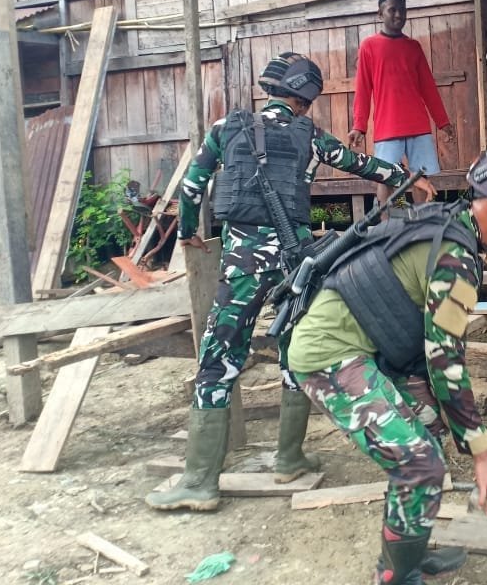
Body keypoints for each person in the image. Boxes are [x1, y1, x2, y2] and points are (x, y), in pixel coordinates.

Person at [146, 53, 436, 512]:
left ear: (270, 89)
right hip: (296, 261)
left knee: (219, 359)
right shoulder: (309, 135)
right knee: (293, 350)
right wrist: (409, 178)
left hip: (242, 260)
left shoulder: (226, 128)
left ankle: (200, 482)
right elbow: (362, 164)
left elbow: (191, 188)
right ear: (306, 98)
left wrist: (186, 232)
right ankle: (289, 457)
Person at [288, 144, 487, 585]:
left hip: (373, 345)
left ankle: (409, 551)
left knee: (429, 426)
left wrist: (465, 434)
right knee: (420, 466)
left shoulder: (454, 228)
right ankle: (395, 576)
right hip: (329, 354)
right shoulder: (457, 257)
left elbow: (439, 352)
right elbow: (444, 357)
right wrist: (482, 453)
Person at [348, 0, 455, 206]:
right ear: (380, 13)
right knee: (384, 177)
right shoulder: (369, 46)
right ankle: (385, 225)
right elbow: (363, 89)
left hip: (418, 124)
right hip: (388, 126)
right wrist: (359, 126)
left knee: (420, 177)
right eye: (392, 10)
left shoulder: (413, 47)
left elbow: (428, 89)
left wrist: (443, 122)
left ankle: (421, 225)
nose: (398, 15)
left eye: (402, 10)